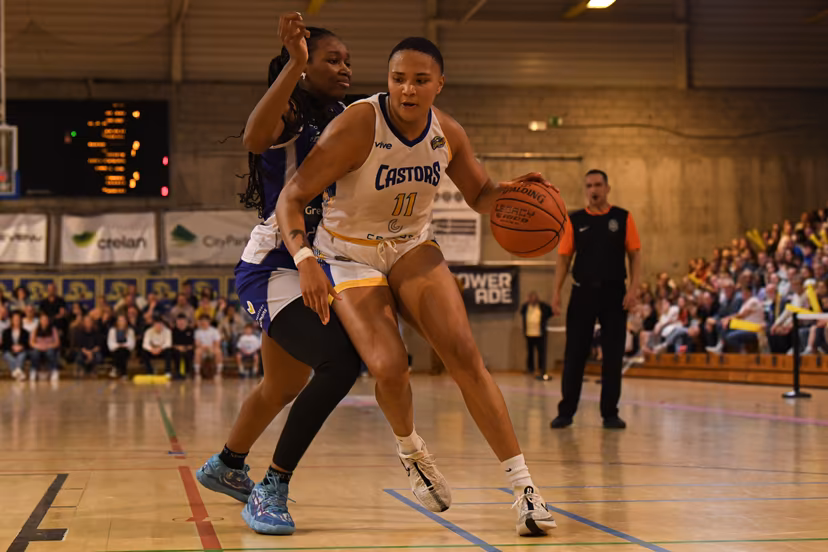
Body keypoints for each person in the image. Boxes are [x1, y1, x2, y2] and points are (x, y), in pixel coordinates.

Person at [275, 35, 556, 536]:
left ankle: (525, 489)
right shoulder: (358, 125)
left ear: (439, 84)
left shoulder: (447, 132)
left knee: (465, 354)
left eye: (420, 80)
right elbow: (291, 198)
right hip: (347, 250)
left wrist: (514, 192)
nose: (408, 89)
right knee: (389, 367)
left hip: (409, 246)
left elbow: (480, 195)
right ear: (387, 81)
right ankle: (411, 451)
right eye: (398, 78)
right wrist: (304, 258)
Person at [196, 18, 364, 536]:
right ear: (303, 66)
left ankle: (226, 464)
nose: (344, 68)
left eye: (347, 60)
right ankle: (272, 487)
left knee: (281, 386)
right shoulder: (291, 115)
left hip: (326, 260)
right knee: (340, 362)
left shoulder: (349, 117)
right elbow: (253, 136)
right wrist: (292, 63)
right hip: (275, 264)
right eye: (331, 59)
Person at [549, 169, 642, 430]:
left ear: (607, 188)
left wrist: (633, 289)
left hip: (614, 294)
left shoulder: (622, 218)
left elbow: (635, 256)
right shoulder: (575, 220)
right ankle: (566, 412)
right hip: (582, 293)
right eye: (589, 185)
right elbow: (564, 258)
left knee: (612, 355)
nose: (593, 190)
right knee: (574, 354)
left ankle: (610, 413)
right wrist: (556, 292)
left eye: (598, 184)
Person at [520, 292, 553, 380]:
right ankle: (530, 369)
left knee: (541, 352)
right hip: (529, 333)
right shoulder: (526, 307)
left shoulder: (542, 306)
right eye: (531, 298)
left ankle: (541, 369)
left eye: (534, 298)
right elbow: (521, 312)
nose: (533, 300)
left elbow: (550, 311)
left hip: (540, 333)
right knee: (530, 352)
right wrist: (526, 302)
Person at [29, 312, 61, 382]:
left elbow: (57, 343)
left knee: (50, 352)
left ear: (48, 321)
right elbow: (31, 343)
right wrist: (38, 346)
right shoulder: (36, 329)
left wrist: (48, 346)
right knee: (34, 353)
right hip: (38, 348)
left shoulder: (53, 329)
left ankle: (54, 370)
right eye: (42, 320)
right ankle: (33, 370)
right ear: (40, 321)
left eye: (46, 320)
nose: (44, 321)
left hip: (49, 348)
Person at [2, 310, 30, 381]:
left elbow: (27, 344)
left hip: (21, 351)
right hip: (9, 351)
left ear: (20, 320)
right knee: (8, 356)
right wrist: (12, 347)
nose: (16, 321)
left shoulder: (25, 332)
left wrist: (21, 347)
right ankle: (19, 372)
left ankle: (15, 372)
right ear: (12, 320)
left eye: (18, 319)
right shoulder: (6, 332)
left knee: (21, 355)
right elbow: (4, 345)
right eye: (14, 319)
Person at [171, 314, 195, 379]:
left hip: (188, 349)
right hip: (177, 349)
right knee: (176, 353)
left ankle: (188, 372)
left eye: (183, 321)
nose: (181, 322)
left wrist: (186, 348)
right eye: (179, 321)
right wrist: (178, 347)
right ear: (176, 322)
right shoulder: (173, 331)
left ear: (186, 322)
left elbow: (193, 343)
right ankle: (178, 373)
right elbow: (172, 343)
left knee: (188, 353)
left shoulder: (191, 330)